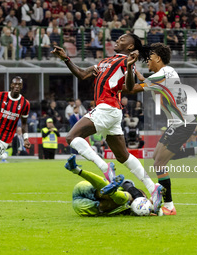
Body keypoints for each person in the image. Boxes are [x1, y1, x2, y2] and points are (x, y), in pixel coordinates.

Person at [51, 33, 165, 213]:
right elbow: (82, 74)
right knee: (123, 156)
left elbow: (128, 87)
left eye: (123, 39)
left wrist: (129, 66)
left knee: (72, 137)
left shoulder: (126, 60)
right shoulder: (106, 61)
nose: (118, 39)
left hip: (107, 107)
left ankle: (105, 168)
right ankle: (153, 188)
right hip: (112, 111)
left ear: (130, 46)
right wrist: (66, 59)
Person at [120, 43, 197, 215]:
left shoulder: (162, 74)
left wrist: (124, 74)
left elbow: (131, 89)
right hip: (179, 122)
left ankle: (169, 206)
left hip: (182, 123)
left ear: (158, 58)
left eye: (149, 57)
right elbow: (148, 84)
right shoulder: (165, 73)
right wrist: (136, 74)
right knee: (157, 157)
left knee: (159, 163)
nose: (147, 60)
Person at [65, 155, 153, 216]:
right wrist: (138, 196)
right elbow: (128, 185)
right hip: (86, 197)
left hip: (83, 205)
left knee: (114, 197)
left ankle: (76, 170)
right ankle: (76, 170)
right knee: (122, 197)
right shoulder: (128, 187)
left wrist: (152, 209)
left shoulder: (127, 206)